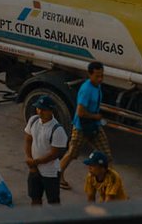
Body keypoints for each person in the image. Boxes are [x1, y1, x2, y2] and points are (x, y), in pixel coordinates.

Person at [58, 61, 109, 190]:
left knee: (106, 155)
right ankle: (58, 175)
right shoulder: (86, 90)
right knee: (72, 153)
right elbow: (80, 112)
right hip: (81, 127)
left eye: (102, 75)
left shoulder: (97, 86)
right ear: (90, 75)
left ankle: (111, 184)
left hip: (94, 126)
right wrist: (95, 116)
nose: (100, 79)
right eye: (97, 76)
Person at [23, 95, 68, 206]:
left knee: (53, 202)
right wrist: (30, 160)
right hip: (34, 168)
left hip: (50, 172)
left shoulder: (57, 130)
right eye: (38, 108)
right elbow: (28, 140)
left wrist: (35, 162)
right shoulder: (33, 120)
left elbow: (54, 154)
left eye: (43, 109)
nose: (40, 111)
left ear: (51, 110)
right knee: (35, 198)